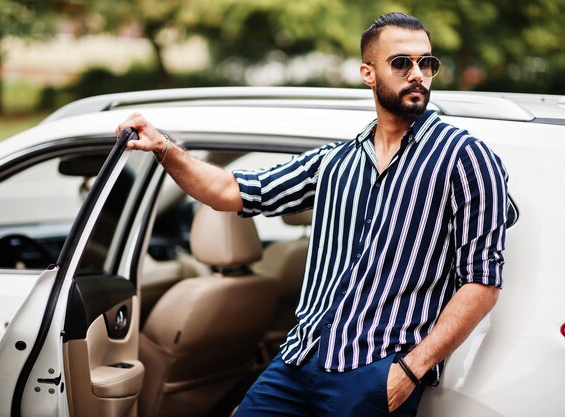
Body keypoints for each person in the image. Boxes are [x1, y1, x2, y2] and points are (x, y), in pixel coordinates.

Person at [116, 12, 511, 417]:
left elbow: (482, 282)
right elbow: (227, 191)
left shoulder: (465, 158)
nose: (418, 74)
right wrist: (164, 147)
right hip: (297, 360)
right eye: (401, 62)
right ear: (368, 73)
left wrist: (409, 371)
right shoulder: (334, 161)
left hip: (372, 375)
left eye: (426, 63)